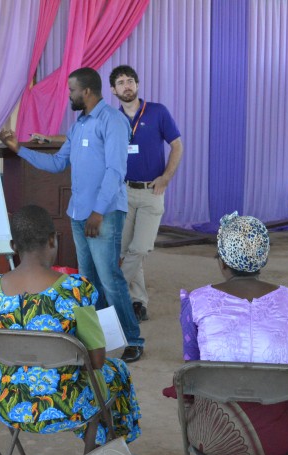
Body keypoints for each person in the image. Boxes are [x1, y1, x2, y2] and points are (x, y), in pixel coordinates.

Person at [164, 212, 288, 455]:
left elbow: (192, 366)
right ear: (264, 259)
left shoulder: (196, 301)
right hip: (278, 442)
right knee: (275, 390)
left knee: (201, 389)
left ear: (221, 261)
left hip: (213, 441)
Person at [0, 67, 145, 364]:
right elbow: (57, 163)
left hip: (101, 215)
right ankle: (103, 336)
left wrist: (97, 212)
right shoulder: (79, 126)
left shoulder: (112, 121)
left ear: (86, 92)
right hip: (79, 214)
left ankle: (133, 339)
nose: (69, 96)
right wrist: (19, 149)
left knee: (110, 278)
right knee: (89, 280)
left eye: (72, 91)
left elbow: (116, 171)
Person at [0, 205, 141, 455]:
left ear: (13, 246)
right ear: (53, 240)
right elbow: (96, 360)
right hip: (67, 403)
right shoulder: (73, 290)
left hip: (10, 402)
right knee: (116, 372)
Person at [109, 65, 183, 323]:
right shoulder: (114, 119)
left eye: (130, 81)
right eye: (121, 82)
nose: (126, 85)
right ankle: (138, 302)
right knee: (125, 249)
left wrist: (166, 177)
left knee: (140, 248)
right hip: (124, 192)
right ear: (113, 90)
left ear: (137, 85)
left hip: (152, 192)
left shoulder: (157, 111)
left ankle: (112, 294)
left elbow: (177, 145)